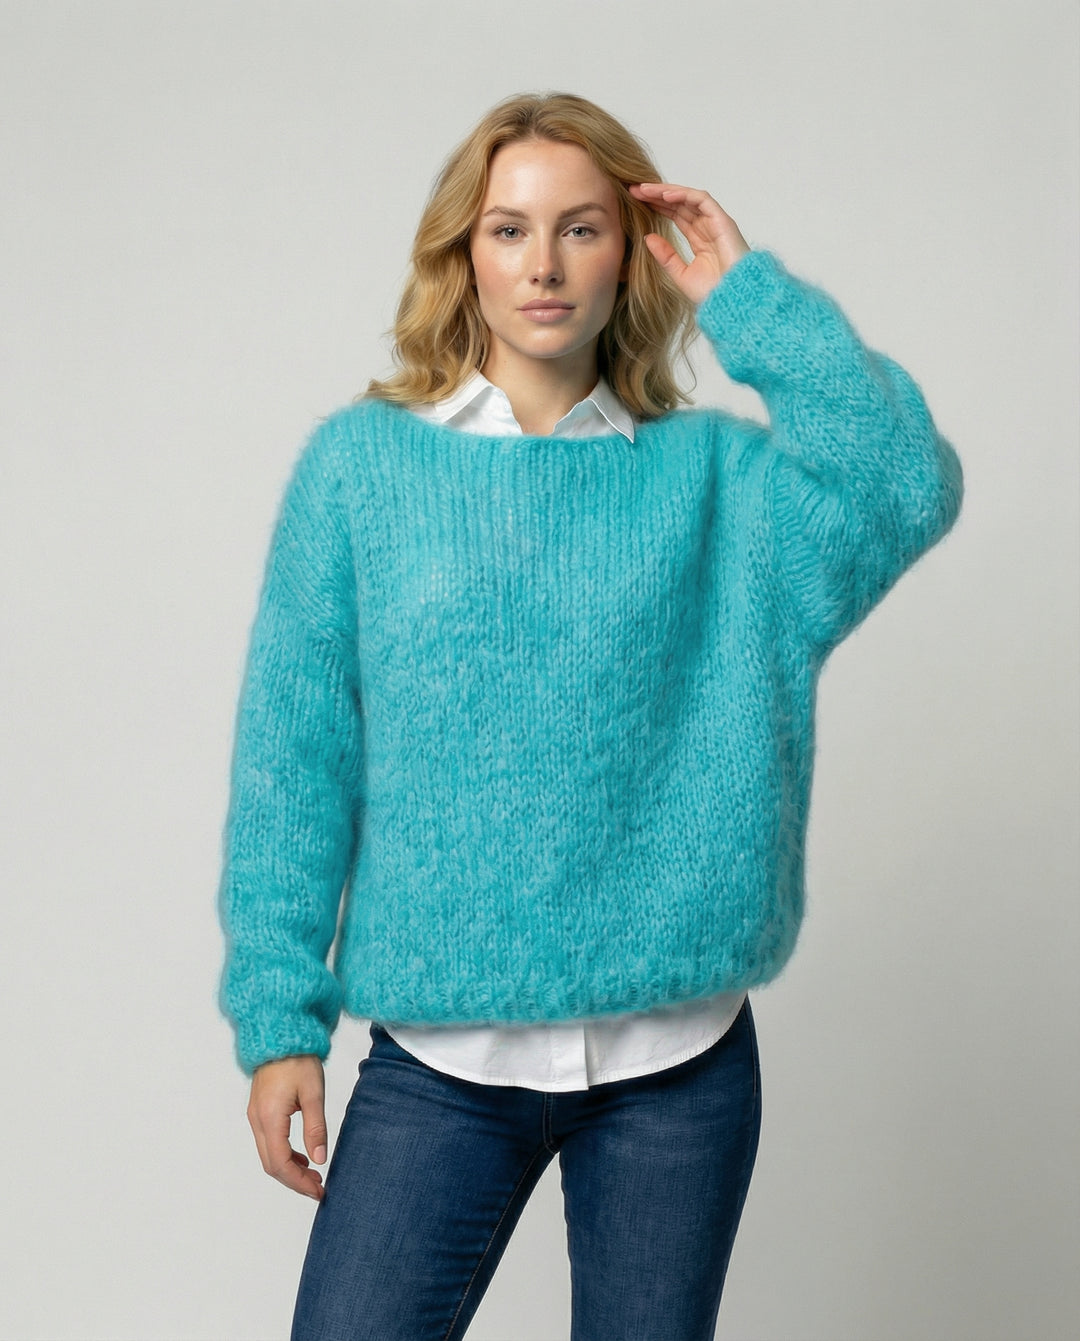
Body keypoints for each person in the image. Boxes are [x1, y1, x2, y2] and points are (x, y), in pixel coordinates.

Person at [217, 92, 963, 1341]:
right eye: (509, 230)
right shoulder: (363, 471)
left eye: (581, 228)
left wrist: (750, 301)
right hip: (445, 1068)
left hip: (677, 1072)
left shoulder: (718, 484)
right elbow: (294, 757)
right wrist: (279, 1020)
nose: (545, 266)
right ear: (464, 253)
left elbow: (902, 484)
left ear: (633, 250)